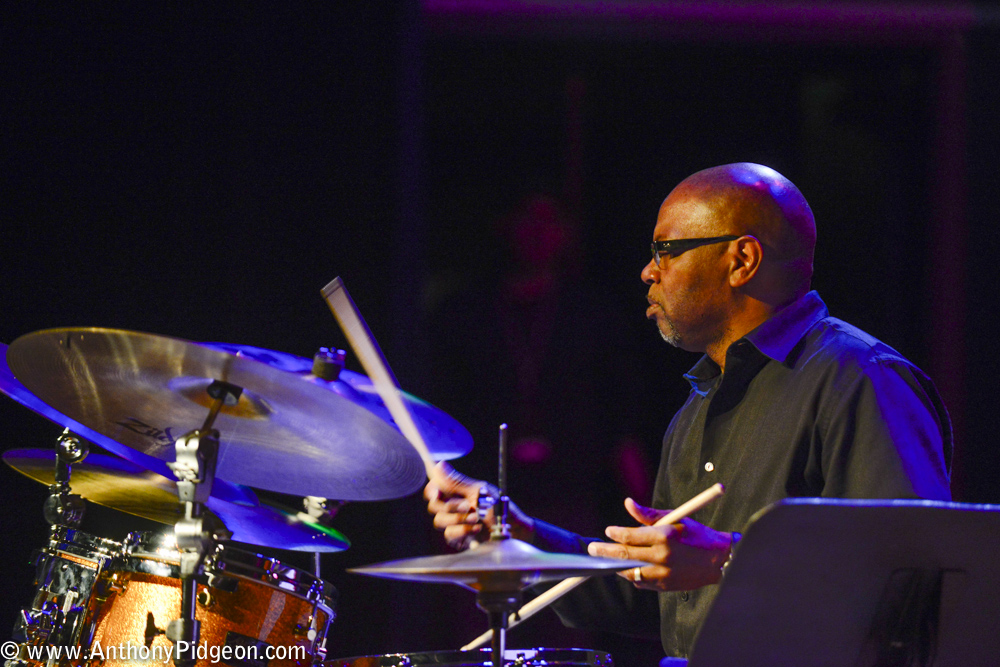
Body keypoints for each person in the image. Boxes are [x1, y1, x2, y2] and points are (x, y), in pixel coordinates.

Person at [424, 163, 953, 659]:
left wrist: (726, 560)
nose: (647, 272)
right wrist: (522, 540)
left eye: (667, 250)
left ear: (741, 260)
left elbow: (912, 580)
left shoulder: (859, 378)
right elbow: (660, 596)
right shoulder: (700, 404)